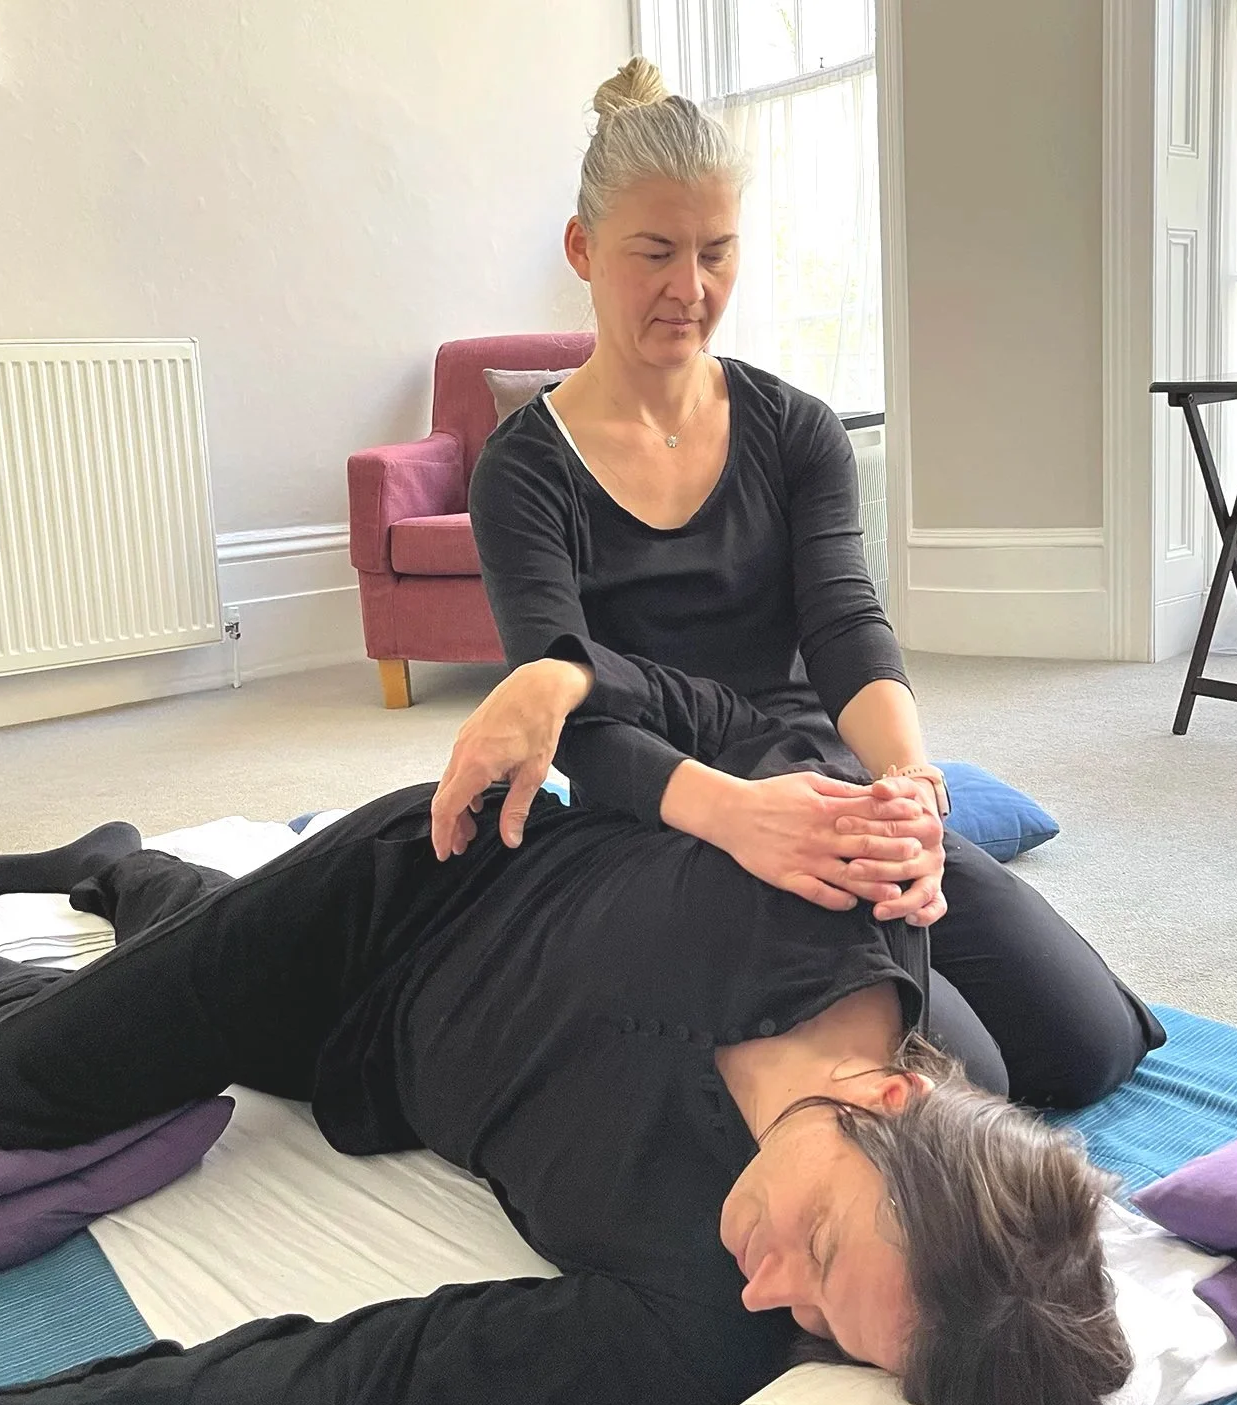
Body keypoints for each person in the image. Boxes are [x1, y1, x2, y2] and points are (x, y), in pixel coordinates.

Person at [0, 787, 1131, 1405]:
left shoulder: (700, 1317)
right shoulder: (830, 887)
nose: (766, 1286)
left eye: (818, 1321)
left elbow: (367, 1376)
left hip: (368, 1050)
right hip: (399, 878)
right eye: (824, 1242)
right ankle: (104, 885)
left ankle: (129, 893)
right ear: (890, 1099)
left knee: (191, 981)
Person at [440, 57, 1164, 1112]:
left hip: (817, 772)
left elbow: (844, 623)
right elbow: (566, 709)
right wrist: (741, 818)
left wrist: (912, 791)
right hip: (670, 813)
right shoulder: (521, 470)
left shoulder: (794, 429)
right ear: (583, 249)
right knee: (977, 1080)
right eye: (655, 252)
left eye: (716, 252)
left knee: (1086, 1047)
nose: (690, 288)